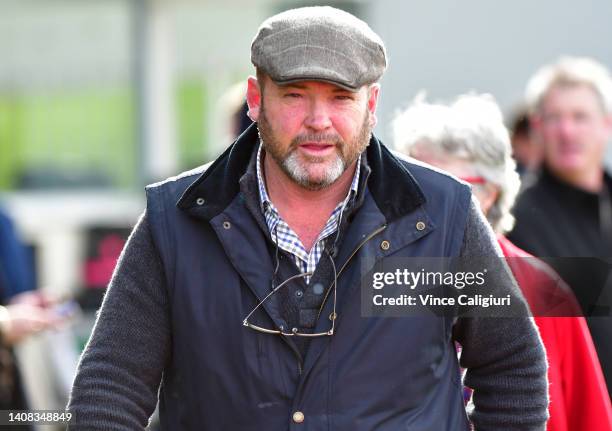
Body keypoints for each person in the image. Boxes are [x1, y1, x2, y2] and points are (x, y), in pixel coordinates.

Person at [67, 7, 548, 430]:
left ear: (371, 106)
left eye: (340, 97)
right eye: (295, 95)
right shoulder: (174, 222)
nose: (318, 120)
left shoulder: (444, 215)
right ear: (256, 99)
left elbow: (512, 367)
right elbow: (110, 387)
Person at [395, 93, 612, 431]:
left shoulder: (542, 287)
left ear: (491, 193)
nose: (432, 206)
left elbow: (589, 416)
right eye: (418, 188)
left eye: (452, 188)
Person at [508, 57, 612, 393]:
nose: (567, 131)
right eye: (555, 119)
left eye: (580, 117)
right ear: (537, 128)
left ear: (607, 124)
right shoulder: (514, 217)